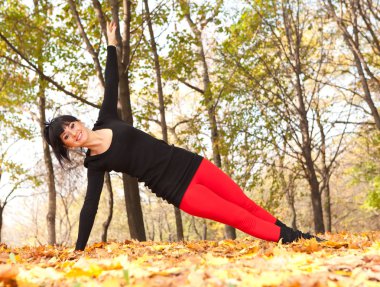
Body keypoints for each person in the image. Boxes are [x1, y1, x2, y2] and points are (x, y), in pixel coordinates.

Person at [44, 22, 324, 251]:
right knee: (239, 217)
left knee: (247, 204)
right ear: (68, 146)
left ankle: (300, 238)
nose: (73, 133)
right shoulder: (94, 164)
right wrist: (78, 250)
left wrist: (112, 45)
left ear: (77, 120)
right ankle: (299, 242)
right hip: (178, 189)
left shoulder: (106, 118)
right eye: (67, 137)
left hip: (189, 163)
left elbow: (112, 81)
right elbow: (89, 206)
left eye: (70, 125)